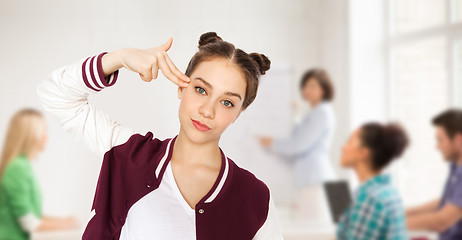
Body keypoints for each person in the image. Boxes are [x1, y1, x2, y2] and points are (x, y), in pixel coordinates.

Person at [36, 32, 283, 239]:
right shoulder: (128, 154)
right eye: (200, 89)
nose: (207, 110)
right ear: (181, 87)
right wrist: (119, 58)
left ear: (239, 113)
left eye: (227, 102)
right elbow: (54, 94)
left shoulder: (256, 198)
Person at [258, 69, 336, 220]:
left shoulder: (322, 112)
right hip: (316, 180)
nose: (307, 90)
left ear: (324, 88)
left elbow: (299, 144)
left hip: (317, 181)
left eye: (312, 86)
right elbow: (301, 135)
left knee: (314, 231)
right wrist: (295, 114)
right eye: (305, 86)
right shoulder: (317, 113)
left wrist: (271, 142)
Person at [0, 108, 78, 240]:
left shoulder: (22, 165)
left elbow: (30, 214)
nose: (46, 136)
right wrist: (66, 223)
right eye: (43, 131)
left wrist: (64, 220)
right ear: (30, 135)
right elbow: (29, 223)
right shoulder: (18, 168)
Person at [336, 122, 409, 240]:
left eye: (350, 142)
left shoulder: (369, 199)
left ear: (363, 153)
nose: (343, 147)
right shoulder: (387, 191)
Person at [406, 109, 462, 240]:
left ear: (458, 140)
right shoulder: (456, 168)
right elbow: (448, 202)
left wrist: (391, 223)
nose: (437, 146)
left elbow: (442, 221)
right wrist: (403, 212)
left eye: (440, 140)